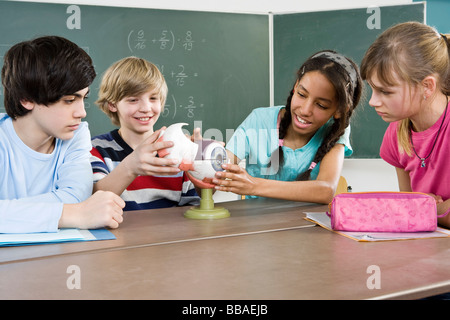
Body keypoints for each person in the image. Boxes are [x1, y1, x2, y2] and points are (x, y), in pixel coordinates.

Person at [0, 36, 125, 233]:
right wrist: (73, 214)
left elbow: (78, 198)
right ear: (26, 98)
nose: (82, 113)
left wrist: (9, 211)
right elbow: (79, 209)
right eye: (69, 100)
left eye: (83, 98)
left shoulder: (76, 135)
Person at [213, 50, 362, 204]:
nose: (305, 110)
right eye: (302, 95)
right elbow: (214, 177)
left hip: (305, 225)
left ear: (339, 110)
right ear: (296, 86)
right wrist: (203, 158)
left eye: (321, 105)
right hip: (256, 224)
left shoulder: (336, 130)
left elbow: (326, 190)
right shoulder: (258, 120)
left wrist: (254, 185)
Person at [360, 21, 450, 228]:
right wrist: (432, 209)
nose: (373, 101)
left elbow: (418, 210)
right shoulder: (396, 132)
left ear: (427, 86)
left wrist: (429, 209)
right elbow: (410, 209)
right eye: (373, 89)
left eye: (385, 91)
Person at [90, 56, 200, 210]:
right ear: (112, 105)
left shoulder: (176, 148)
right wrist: (131, 167)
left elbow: (193, 206)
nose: (146, 108)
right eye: (133, 100)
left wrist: (202, 167)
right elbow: (93, 202)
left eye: (153, 98)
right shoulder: (96, 149)